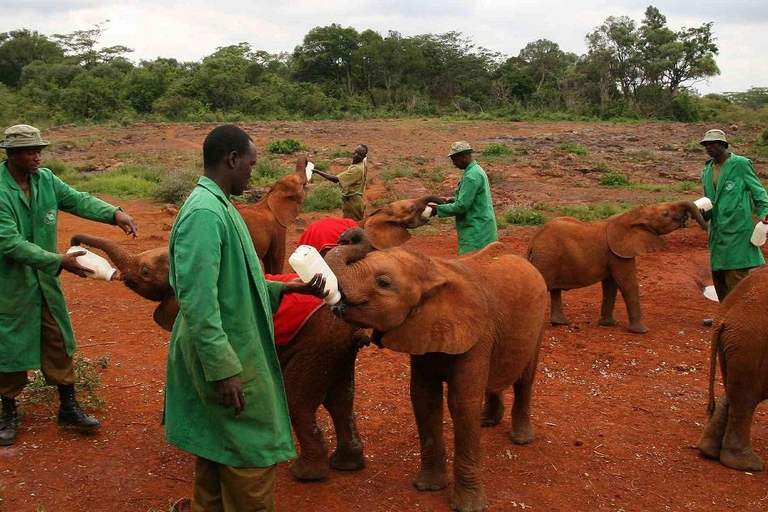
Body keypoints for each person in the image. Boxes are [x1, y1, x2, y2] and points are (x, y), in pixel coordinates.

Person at [164, 125, 327, 512]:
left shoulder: (221, 206)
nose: (254, 172)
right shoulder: (205, 215)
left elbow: (233, 284)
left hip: (231, 347)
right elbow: (198, 300)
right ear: (232, 159)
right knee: (249, 452)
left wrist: (287, 290)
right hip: (226, 356)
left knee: (217, 447)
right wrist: (222, 369)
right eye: (251, 164)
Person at [0, 124, 138, 446]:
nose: (38, 157)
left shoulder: (45, 180)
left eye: (39, 150)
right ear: (12, 154)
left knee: (58, 338)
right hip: (11, 284)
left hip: (45, 282)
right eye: (31, 152)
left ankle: (68, 406)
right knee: (8, 346)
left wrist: (114, 213)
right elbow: (9, 243)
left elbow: (77, 200)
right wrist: (60, 261)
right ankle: (8, 411)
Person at [700, 128, 768, 324]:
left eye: (712, 143)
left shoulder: (740, 164)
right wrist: (702, 213)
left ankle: (741, 320)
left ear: (723, 144)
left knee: (736, 275)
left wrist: (765, 215)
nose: (708, 147)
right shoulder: (707, 168)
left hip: (738, 228)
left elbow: (759, 194)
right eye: (705, 144)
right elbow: (709, 200)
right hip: (718, 229)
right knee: (719, 274)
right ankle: (725, 317)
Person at [430, 141, 498, 255]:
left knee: (472, 267)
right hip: (482, 226)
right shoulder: (476, 170)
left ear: (463, 157)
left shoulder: (471, 176)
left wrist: (437, 209)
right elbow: (470, 199)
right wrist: (450, 200)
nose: (454, 163)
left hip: (476, 230)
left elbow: (461, 206)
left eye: (454, 159)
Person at [313, 144, 368, 220]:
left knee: (351, 226)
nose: (355, 155)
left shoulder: (356, 170)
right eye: (355, 152)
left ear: (364, 156)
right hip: (355, 201)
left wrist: (317, 171)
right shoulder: (363, 163)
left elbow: (336, 179)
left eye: (359, 154)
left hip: (352, 203)